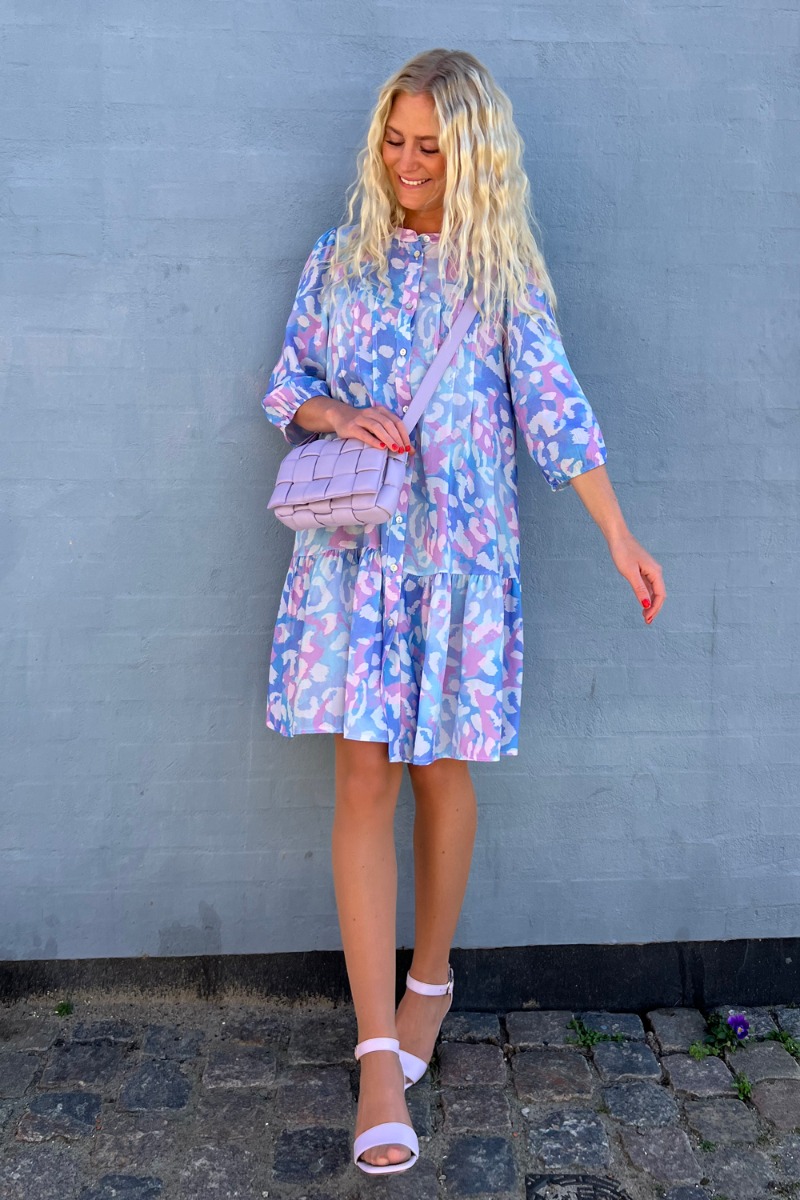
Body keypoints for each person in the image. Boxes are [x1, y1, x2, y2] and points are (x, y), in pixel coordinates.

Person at [260, 48, 665, 1176]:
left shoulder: (500, 276)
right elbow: (287, 383)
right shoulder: (339, 258)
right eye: (394, 141)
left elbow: (555, 412)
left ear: (472, 153)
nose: (407, 163)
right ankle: (377, 1060)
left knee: (441, 772)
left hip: (459, 563)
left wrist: (618, 533)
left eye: (430, 147)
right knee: (360, 777)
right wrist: (337, 415)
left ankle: (429, 980)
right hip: (354, 558)